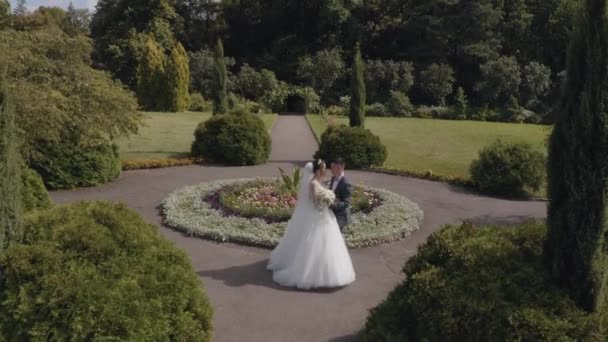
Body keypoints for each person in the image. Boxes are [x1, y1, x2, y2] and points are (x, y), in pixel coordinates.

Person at [267, 159, 356, 290]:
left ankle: (326, 270)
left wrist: (328, 199)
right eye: (324, 168)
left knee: (327, 245)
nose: (326, 170)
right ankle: (314, 273)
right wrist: (327, 201)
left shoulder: (318, 182)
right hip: (320, 216)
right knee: (318, 245)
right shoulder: (314, 184)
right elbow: (315, 204)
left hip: (326, 216)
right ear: (319, 170)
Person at [329, 158, 353, 231]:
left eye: (333, 168)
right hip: (333, 214)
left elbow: (346, 203)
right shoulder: (333, 178)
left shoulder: (346, 183)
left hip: (341, 217)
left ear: (340, 168)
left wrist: (333, 204)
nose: (331, 170)